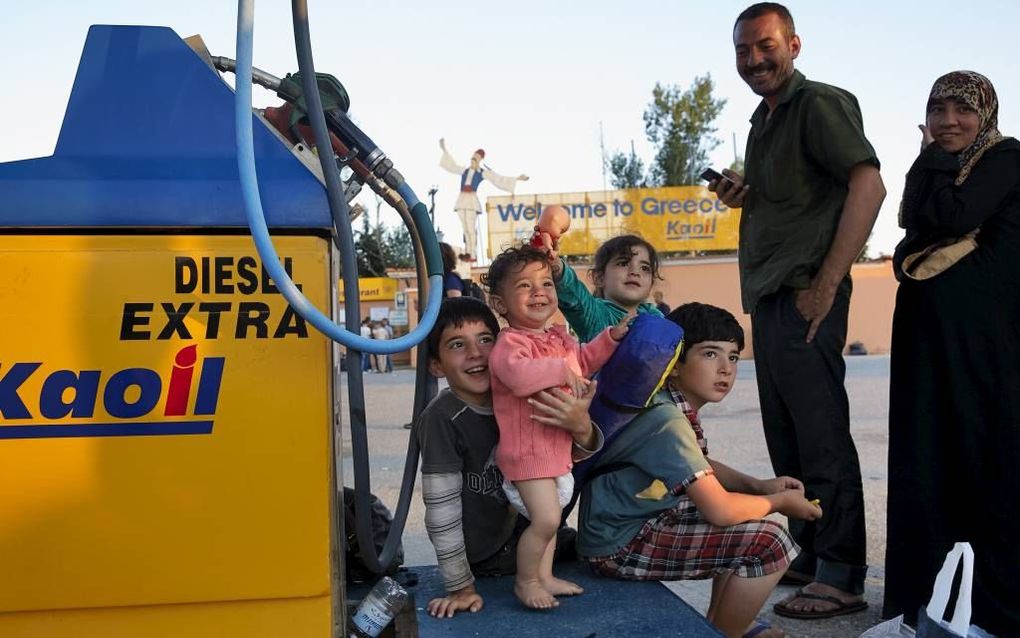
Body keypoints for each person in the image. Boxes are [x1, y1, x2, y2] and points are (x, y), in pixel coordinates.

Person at [710, 3, 886, 618]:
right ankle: (811, 550)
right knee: (787, 436)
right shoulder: (765, 120)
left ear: (794, 44)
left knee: (821, 435)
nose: (754, 60)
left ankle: (841, 573)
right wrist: (744, 197)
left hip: (808, 292)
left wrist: (827, 283)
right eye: (743, 51)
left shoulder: (819, 104)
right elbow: (790, 202)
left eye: (765, 45)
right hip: (773, 295)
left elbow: (869, 185)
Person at [577, 303, 820, 638]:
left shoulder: (670, 402)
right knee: (770, 541)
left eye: (733, 357)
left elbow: (697, 466)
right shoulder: (667, 421)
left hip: (633, 523)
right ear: (674, 365)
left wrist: (760, 487)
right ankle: (725, 632)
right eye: (709, 354)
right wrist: (780, 503)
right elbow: (719, 510)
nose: (725, 369)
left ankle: (719, 627)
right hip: (619, 546)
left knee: (747, 519)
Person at [884, 71, 1020, 637]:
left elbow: (949, 216)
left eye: (961, 110)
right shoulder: (938, 166)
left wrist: (929, 161)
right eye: (937, 111)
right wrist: (927, 170)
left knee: (982, 462)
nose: (948, 122)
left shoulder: (1007, 156)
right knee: (928, 460)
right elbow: (911, 222)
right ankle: (926, 598)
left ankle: (988, 607)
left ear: (985, 112)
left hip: (985, 349)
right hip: (931, 344)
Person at [415, 297, 605, 618]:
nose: (476, 353)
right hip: (488, 555)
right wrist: (460, 587)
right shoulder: (443, 416)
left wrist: (581, 427)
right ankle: (531, 578)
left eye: (486, 340)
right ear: (436, 365)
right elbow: (441, 508)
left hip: (530, 536)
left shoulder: (522, 396)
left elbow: (564, 460)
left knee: (595, 545)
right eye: (457, 344)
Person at [482, 244, 629, 609]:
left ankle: (545, 576)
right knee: (546, 520)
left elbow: (583, 359)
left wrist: (609, 339)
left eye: (546, 284)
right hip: (527, 454)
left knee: (551, 518)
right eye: (525, 286)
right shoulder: (509, 344)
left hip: (555, 451)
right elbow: (517, 376)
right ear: (500, 305)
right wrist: (561, 370)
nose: (539, 293)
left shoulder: (558, 339)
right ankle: (527, 581)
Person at [542, 234, 664, 343]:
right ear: (599, 278)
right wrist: (554, 263)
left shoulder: (657, 317)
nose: (635, 272)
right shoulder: (594, 316)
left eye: (645, 268)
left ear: (651, 284)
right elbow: (573, 292)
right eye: (623, 263)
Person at [439, 138, 529, 262]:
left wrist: (516, 179)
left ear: (479, 161)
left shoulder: (482, 173)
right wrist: (444, 149)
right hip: (462, 199)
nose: (473, 161)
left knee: (470, 228)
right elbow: (452, 166)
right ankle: (467, 251)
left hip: (471, 200)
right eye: (472, 158)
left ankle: (473, 254)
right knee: (465, 228)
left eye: (475, 159)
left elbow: (498, 178)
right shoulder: (464, 170)